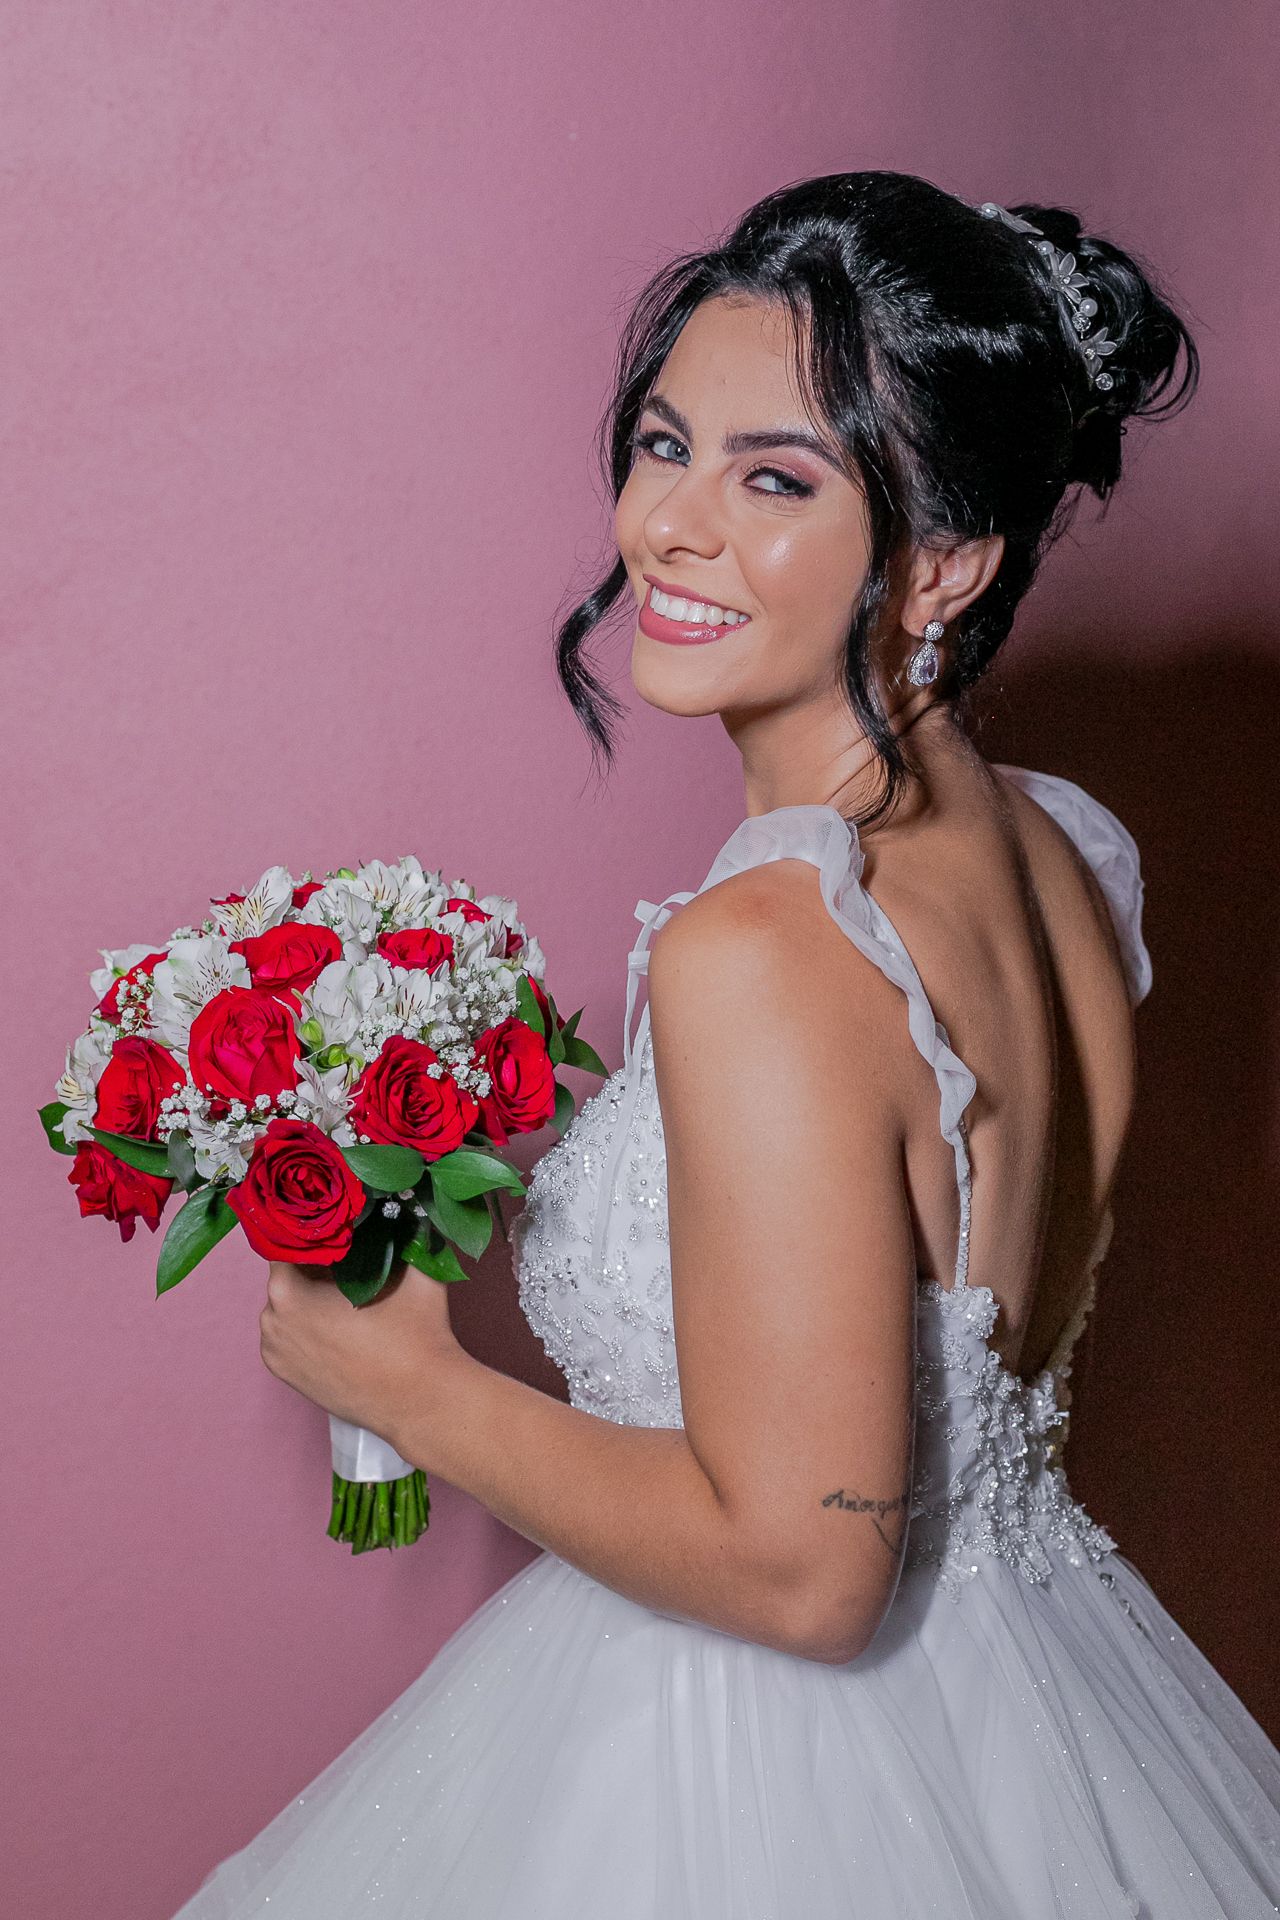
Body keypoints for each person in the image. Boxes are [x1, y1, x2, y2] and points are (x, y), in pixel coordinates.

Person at [175, 170, 1280, 1916]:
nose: (668, 526)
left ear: (944, 562)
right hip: (1036, 1717)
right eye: (666, 443)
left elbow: (803, 1571)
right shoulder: (1063, 859)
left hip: (760, 1781)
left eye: (776, 479)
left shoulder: (763, 944)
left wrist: (410, 1385)